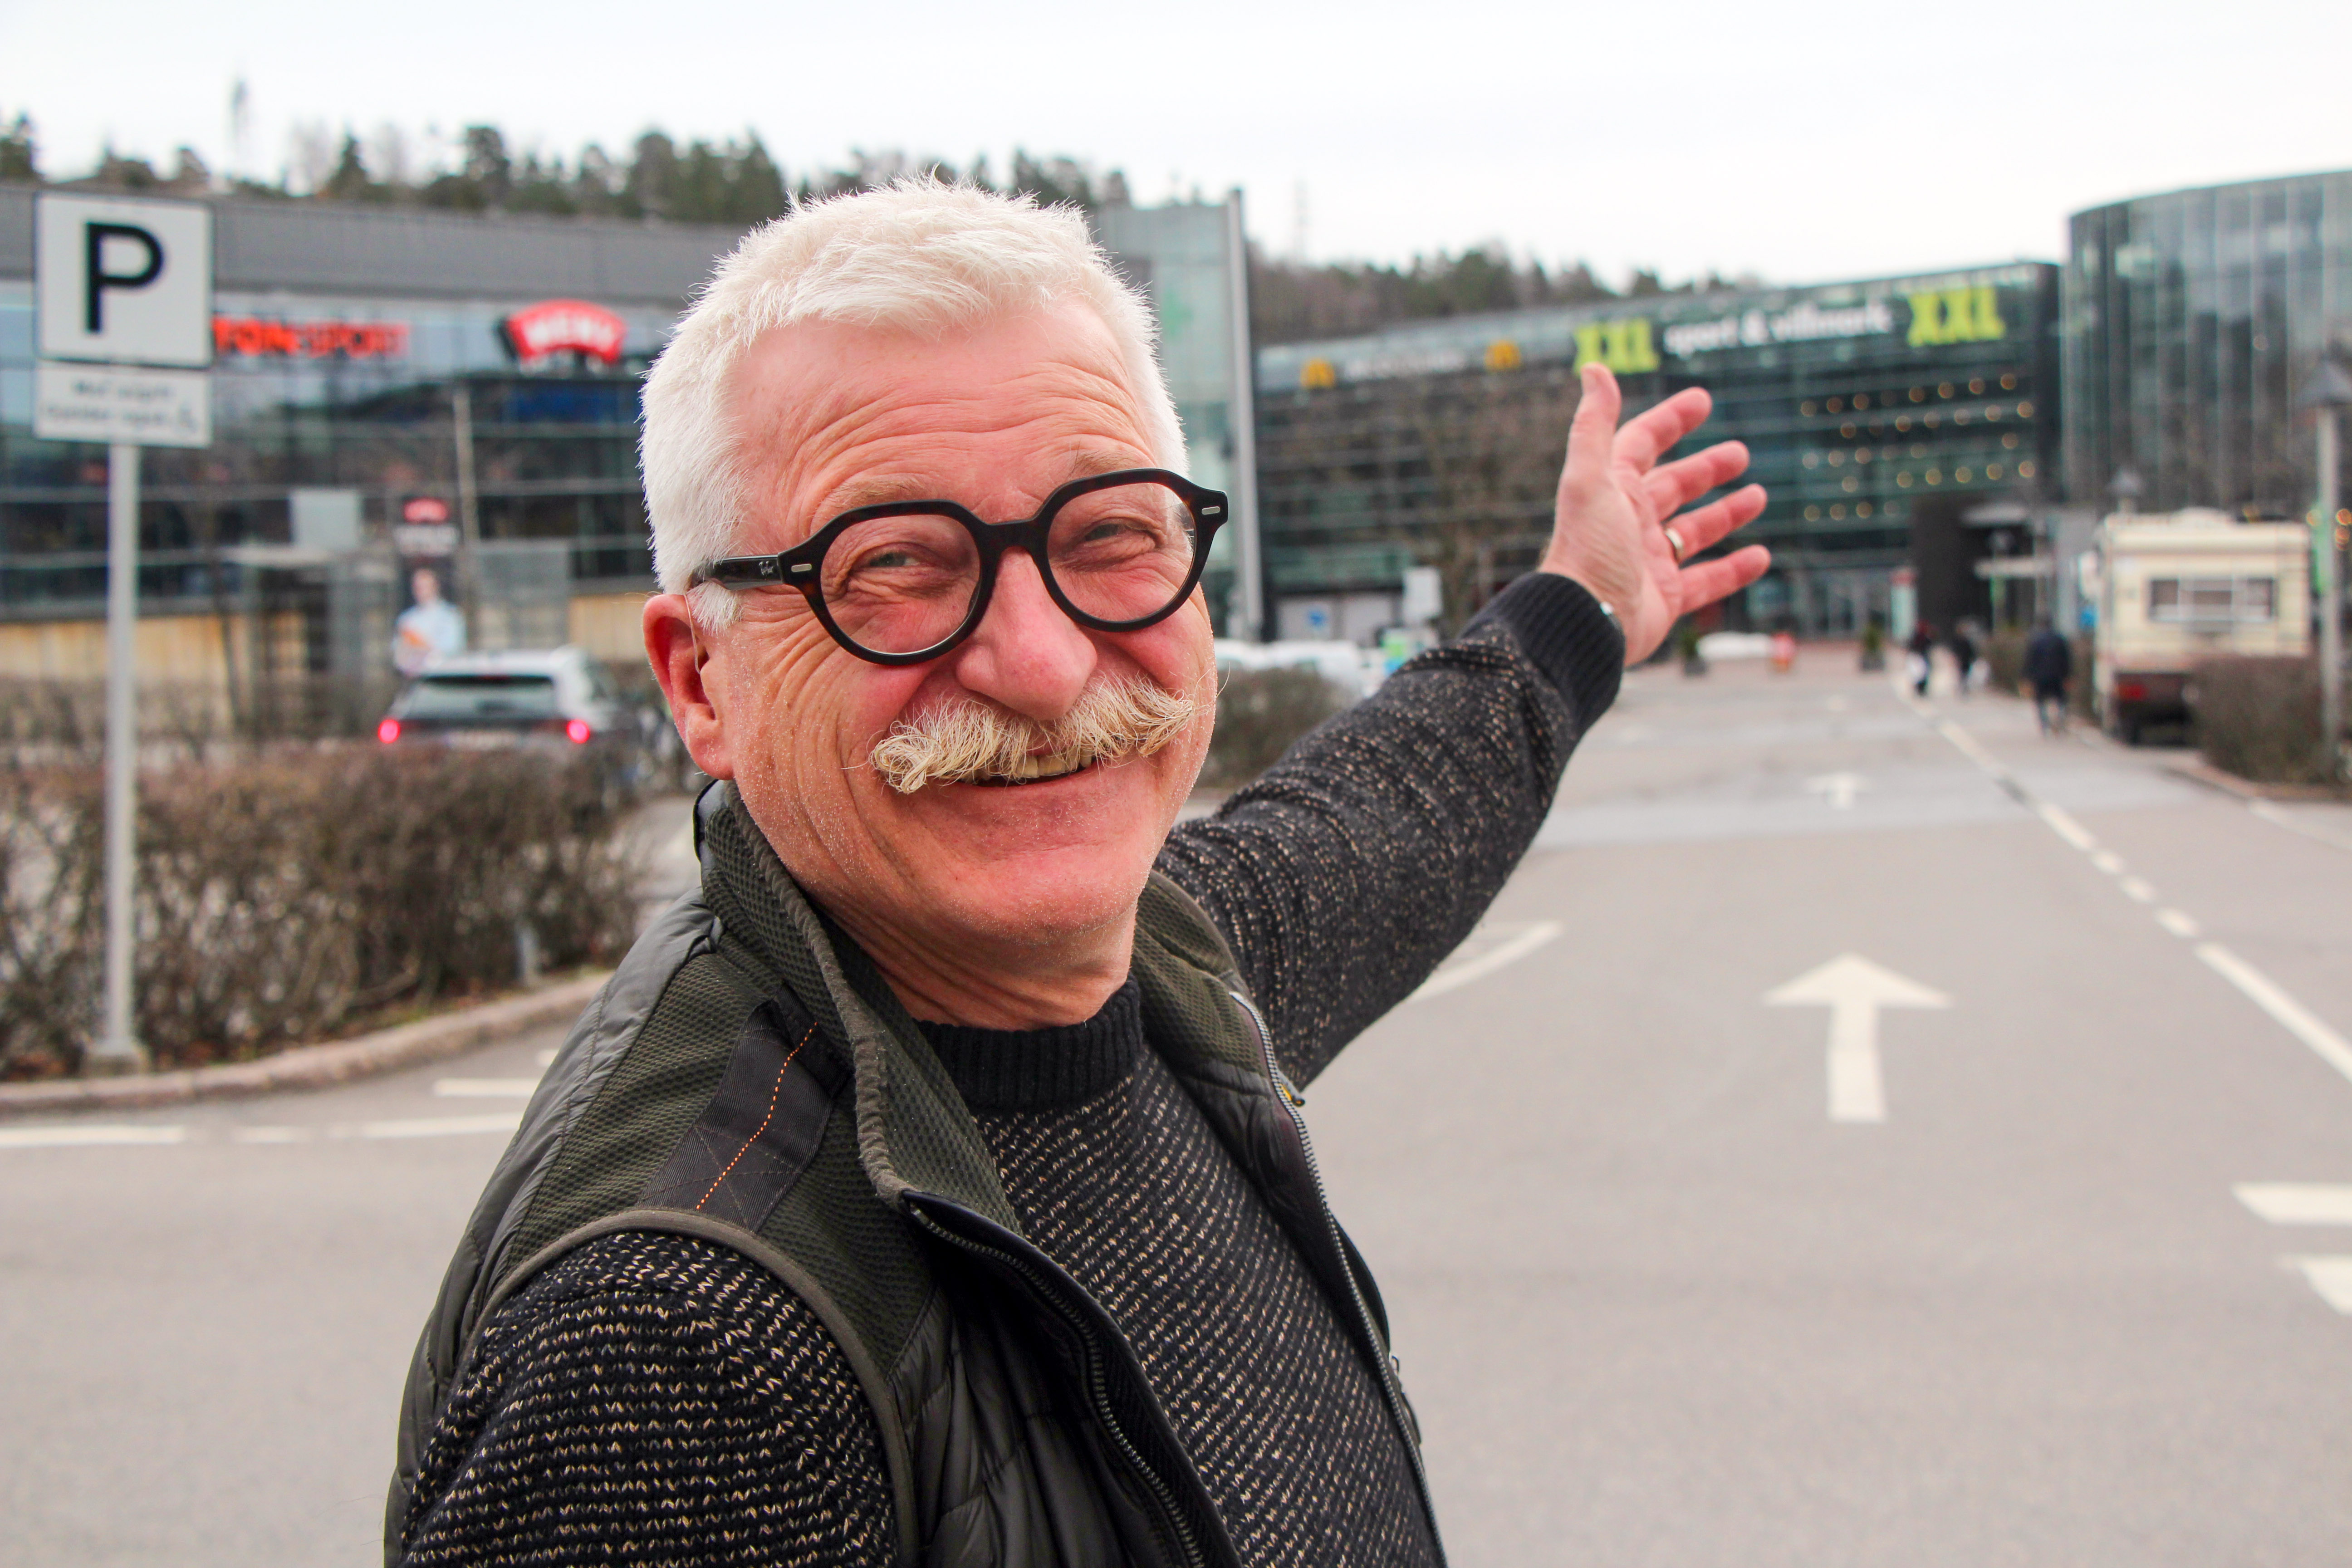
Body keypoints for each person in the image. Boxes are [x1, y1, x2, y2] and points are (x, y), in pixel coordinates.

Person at [385, 183, 1770, 1568]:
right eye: (899, 569)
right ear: (704, 682)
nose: (1043, 669)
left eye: (1108, 535)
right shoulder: (676, 1343)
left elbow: (1376, 829)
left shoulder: (1149, 976)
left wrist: (1581, 600)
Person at [392, 566, 466, 676]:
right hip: (414, 679)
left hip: (442, 677)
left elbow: (453, 649)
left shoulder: (451, 616)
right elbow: (398, 653)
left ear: (435, 587)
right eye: (418, 587)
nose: (421, 591)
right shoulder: (407, 619)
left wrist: (421, 645)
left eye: (425, 587)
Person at [2024, 618, 2073, 734]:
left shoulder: (2035, 641)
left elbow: (2030, 660)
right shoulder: (2060, 640)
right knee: (2060, 699)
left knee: (2040, 700)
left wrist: (2027, 677)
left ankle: (2045, 724)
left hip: (2040, 677)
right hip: (2058, 676)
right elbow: (2066, 660)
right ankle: (2059, 721)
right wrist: (2068, 676)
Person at [1948, 622, 1979, 698]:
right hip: (1961, 660)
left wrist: (1973, 658)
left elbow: (1971, 651)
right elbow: (1955, 650)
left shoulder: (1966, 641)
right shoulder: (1958, 641)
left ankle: (1964, 687)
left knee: (1965, 674)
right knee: (1962, 674)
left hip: (1966, 660)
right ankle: (1962, 687)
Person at [1907, 620, 1936, 696]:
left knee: (1923, 674)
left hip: (1923, 657)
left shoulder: (1925, 637)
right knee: (1918, 674)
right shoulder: (1917, 637)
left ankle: (1922, 689)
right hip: (1918, 657)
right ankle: (1919, 688)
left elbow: (1929, 644)